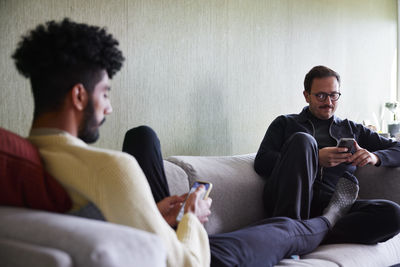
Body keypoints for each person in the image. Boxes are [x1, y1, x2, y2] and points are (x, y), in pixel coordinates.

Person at [13, 19, 358, 267]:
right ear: (78, 96)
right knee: (283, 229)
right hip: (202, 257)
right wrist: (190, 217)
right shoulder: (111, 168)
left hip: (142, 236)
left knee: (142, 135)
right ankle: (327, 221)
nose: (109, 107)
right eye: (105, 94)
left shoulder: (27, 157)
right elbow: (186, 261)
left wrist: (157, 213)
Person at [254, 65, 400, 245]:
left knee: (393, 214)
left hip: (333, 205)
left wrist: (375, 157)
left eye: (334, 95)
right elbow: (261, 161)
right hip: (289, 199)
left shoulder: (351, 129)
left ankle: (312, 232)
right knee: (303, 140)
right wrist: (315, 159)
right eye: (321, 95)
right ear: (307, 95)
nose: (329, 102)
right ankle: (292, 231)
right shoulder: (285, 123)